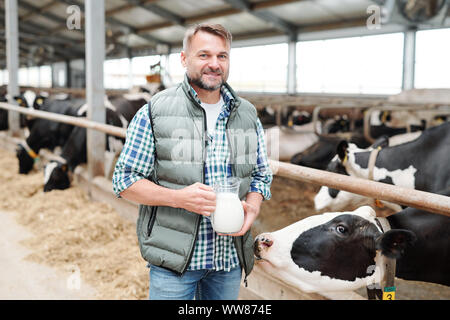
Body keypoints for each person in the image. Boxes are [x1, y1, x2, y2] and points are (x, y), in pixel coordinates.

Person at [112, 23, 272, 300]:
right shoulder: (155, 110)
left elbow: (260, 174)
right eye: (204, 55)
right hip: (175, 262)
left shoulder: (246, 114)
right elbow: (124, 180)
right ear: (184, 59)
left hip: (228, 259)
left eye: (222, 56)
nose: (214, 64)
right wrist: (178, 198)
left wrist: (254, 207)